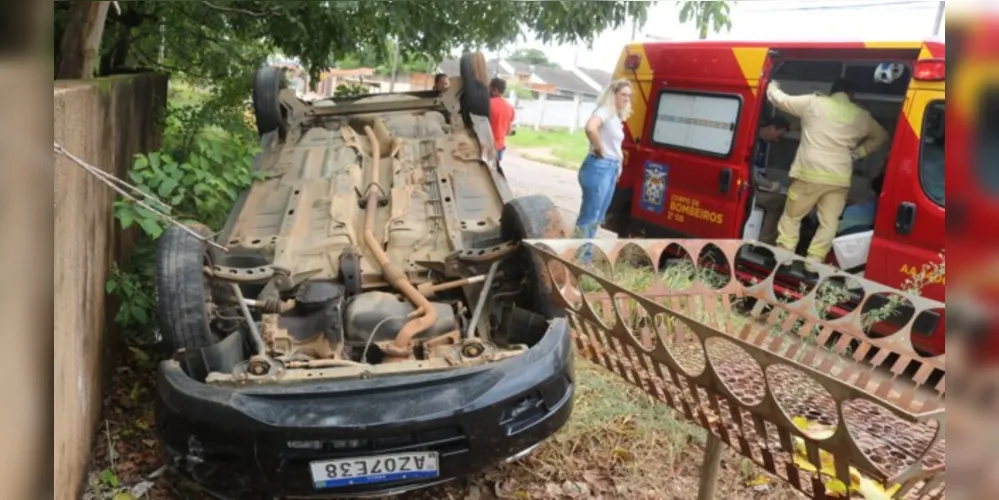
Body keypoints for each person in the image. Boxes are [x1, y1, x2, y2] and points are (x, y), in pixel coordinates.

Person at [766, 78, 888, 272]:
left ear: (832, 92)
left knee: (792, 217)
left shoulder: (814, 103)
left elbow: (781, 100)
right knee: (828, 223)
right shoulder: (861, 116)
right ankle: (813, 264)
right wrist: (859, 153)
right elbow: (881, 135)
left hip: (809, 174)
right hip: (839, 179)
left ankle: (784, 259)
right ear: (851, 95)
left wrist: (772, 85)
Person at [574, 79, 632, 248]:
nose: (627, 99)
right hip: (599, 167)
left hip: (610, 168)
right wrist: (600, 149)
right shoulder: (605, 111)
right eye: (623, 94)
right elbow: (590, 128)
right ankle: (581, 258)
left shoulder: (615, 116)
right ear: (613, 94)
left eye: (629, 95)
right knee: (590, 216)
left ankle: (583, 255)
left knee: (597, 217)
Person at [751, 115, 791, 245]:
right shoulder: (754, 141)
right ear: (772, 128)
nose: (777, 140)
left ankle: (764, 241)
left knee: (776, 206)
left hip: (756, 186)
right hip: (750, 189)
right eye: (778, 136)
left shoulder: (763, 143)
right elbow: (750, 173)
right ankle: (765, 242)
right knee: (782, 202)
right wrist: (769, 185)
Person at [488, 78, 516, 164]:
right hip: (499, 146)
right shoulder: (510, 108)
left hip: (486, 145)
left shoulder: (488, 103)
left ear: (494, 90)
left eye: (489, 88)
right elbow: (508, 131)